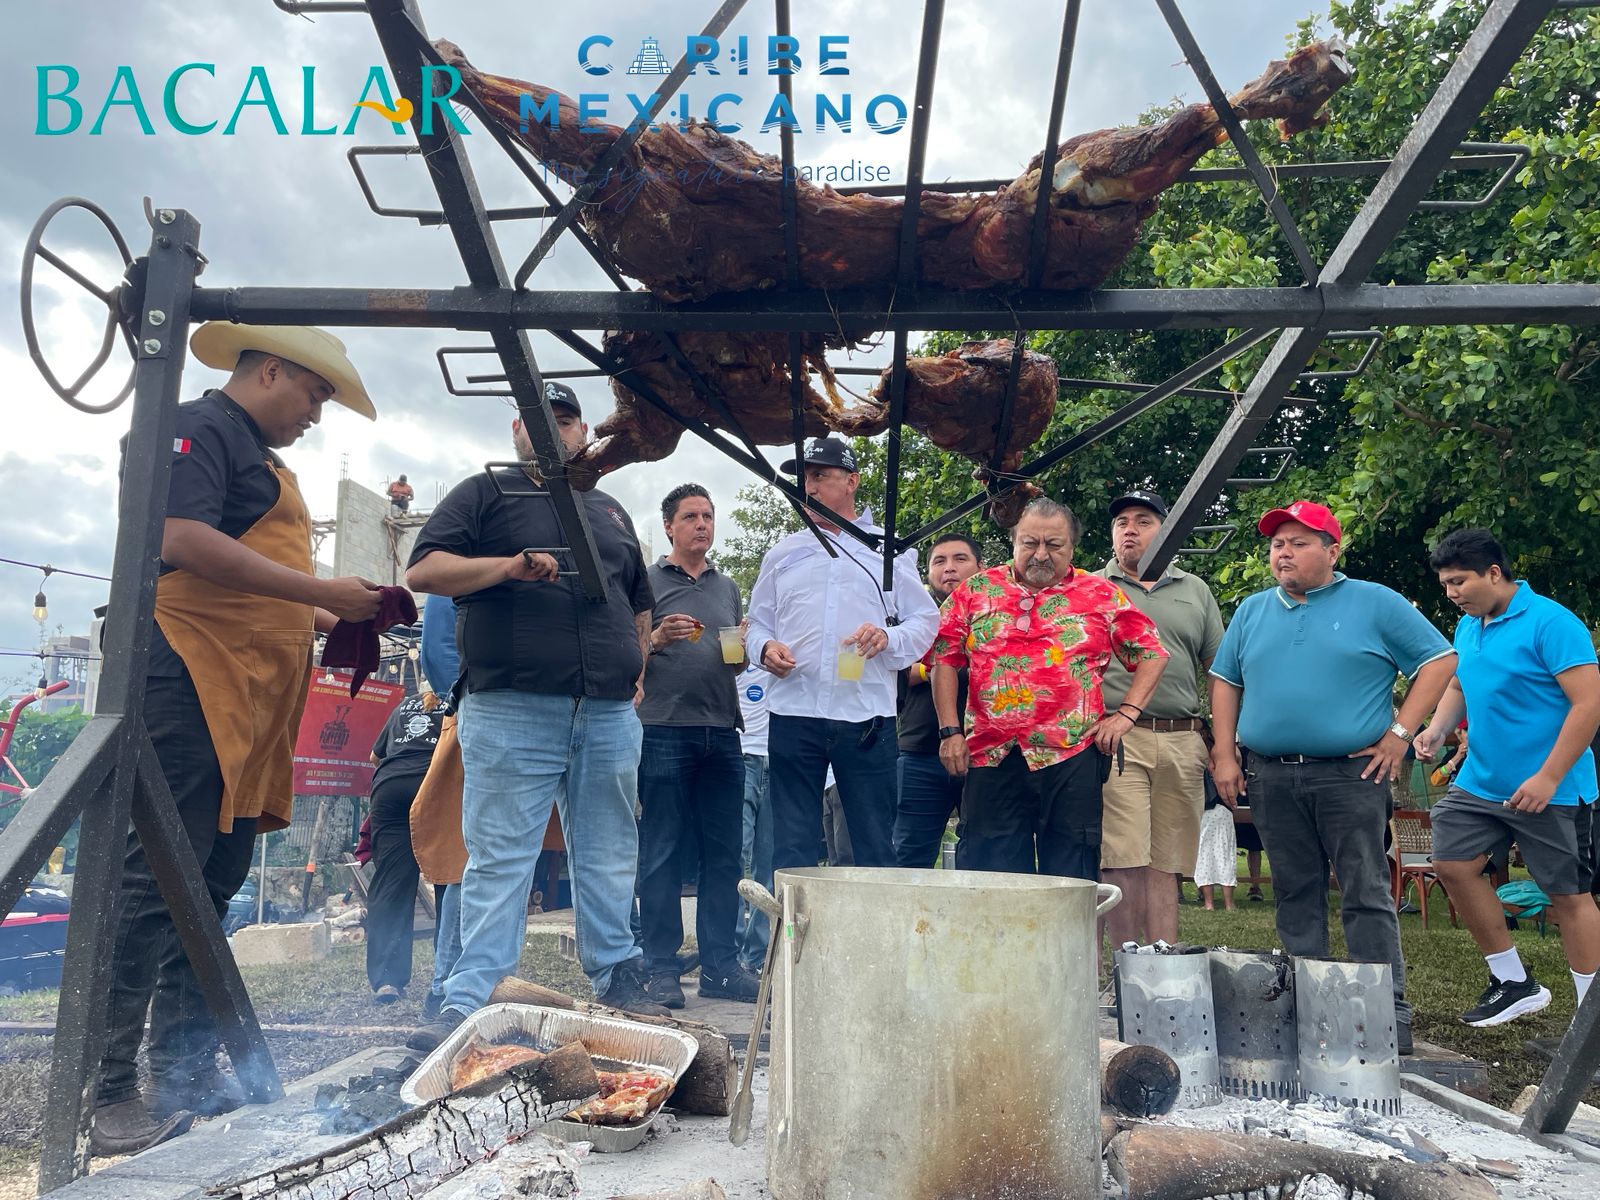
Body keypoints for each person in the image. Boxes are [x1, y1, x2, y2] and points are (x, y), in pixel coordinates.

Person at [93, 324, 384, 1156]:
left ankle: (181, 1077)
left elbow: (264, 584)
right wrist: (318, 587)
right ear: (267, 371)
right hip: (184, 676)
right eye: (315, 394)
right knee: (156, 885)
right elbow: (178, 542)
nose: (316, 415)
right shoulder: (193, 429)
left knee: (210, 884)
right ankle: (109, 1094)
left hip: (249, 695)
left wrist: (338, 613)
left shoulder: (267, 463)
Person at [405, 383, 664, 1051]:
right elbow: (425, 572)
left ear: (582, 431)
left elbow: (640, 600)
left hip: (607, 712)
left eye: (566, 418)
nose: (552, 430)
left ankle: (618, 972)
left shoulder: (609, 510)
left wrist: (636, 665)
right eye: (537, 419)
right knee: (499, 858)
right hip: (511, 704)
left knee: (610, 852)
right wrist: (509, 569)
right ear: (516, 429)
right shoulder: (482, 494)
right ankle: (470, 996)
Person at [1209, 500, 1456, 1054]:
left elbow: (1439, 661)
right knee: (1295, 890)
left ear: (1331, 550)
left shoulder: (1375, 602)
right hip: (1270, 773)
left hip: (1350, 773)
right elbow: (1225, 680)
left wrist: (1398, 733)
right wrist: (1225, 753)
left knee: (1365, 888)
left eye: (1299, 542)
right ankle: (1304, 1007)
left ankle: (1385, 1012)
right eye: (1277, 544)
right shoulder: (1251, 611)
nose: (1284, 552)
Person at [1417, 529, 1600, 1026]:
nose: (1451, 593)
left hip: (1552, 789)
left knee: (1568, 897)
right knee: (1452, 863)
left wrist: (1548, 776)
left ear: (1494, 573)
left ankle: (1591, 1024)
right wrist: (1436, 727)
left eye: (1459, 582)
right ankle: (1514, 982)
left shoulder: (1552, 623)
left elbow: (1589, 705)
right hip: (1480, 783)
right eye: (1446, 585)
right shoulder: (1469, 626)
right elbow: (1459, 681)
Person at [931, 498, 1168, 877]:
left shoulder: (1101, 594)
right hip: (991, 755)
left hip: (1071, 756)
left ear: (1072, 547)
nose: (1040, 554)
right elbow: (944, 658)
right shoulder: (976, 590)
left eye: (1054, 545)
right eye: (1030, 543)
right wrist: (949, 731)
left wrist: (1125, 716)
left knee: (1071, 874)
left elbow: (1152, 653)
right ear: (1013, 541)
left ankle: (1066, 940)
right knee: (991, 877)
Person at [745, 436, 940, 871]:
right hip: (795, 712)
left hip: (866, 716)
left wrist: (888, 641)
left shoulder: (887, 549)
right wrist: (764, 647)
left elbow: (925, 621)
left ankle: (873, 940)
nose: (808, 487)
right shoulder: (783, 553)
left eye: (819, 476)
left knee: (873, 843)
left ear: (851, 481)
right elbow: (756, 624)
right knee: (792, 845)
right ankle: (792, 938)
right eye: (804, 479)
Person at [636, 484, 757, 1007]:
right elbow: (625, 648)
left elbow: (732, 661)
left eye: (708, 515)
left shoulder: (726, 586)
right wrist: (656, 640)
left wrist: (743, 651)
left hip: (722, 730)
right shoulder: (645, 582)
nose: (702, 525)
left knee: (724, 854)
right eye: (690, 517)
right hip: (662, 727)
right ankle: (661, 967)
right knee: (661, 850)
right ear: (669, 526)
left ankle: (720, 966)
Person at [1095, 491, 1225, 947]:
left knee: (1167, 862)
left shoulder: (1196, 590)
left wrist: (1223, 747)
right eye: (1122, 522)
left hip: (1183, 737)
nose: (1129, 529)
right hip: (1118, 738)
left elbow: (1220, 672)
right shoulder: (1092, 587)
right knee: (1122, 857)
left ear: (1167, 531)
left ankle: (1165, 970)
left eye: (1143, 520)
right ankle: (1128, 970)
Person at [895, 533, 984, 868]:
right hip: (920, 750)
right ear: (928, 574)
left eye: (960, 559)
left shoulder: (997, 613)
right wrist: (940, 663)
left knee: (980, 854)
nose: (950, 569)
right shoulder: (912, 616)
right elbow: (900, 671)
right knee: (909, 854)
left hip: (985, 752)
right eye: (939, 561)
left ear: (981, 567)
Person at [365, 689, 447, 1003]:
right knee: (447, 878)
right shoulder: (457, 700)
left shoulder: (404, 705)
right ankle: (448, 973)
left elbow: (375, 756)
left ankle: (387, 980)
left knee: (391, 882)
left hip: (390, 788)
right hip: (433, 784)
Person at [415, 591, 461, 1021]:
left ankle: (462, 984)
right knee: (468, 863)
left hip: (537, 722)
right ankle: (447, 986)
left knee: (503, 862)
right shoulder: (462, 550)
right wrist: (468, 701)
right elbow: (436, 650)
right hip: (480, 717)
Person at [735, 660, 774, 972]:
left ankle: (756, 955)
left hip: (782, 757)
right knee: (736, 856)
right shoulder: (741, 640)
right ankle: (731, 955)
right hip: (742, 753)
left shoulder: (798, 640)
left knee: (771, 864)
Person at [1193, 773, 1238, 911]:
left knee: (1204, 855)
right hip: (1225, 810)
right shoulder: (1229, 758)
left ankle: (1209, 903)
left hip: (1203, 810)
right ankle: (1229, 904)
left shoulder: (1198, 760)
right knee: (1225, 856)